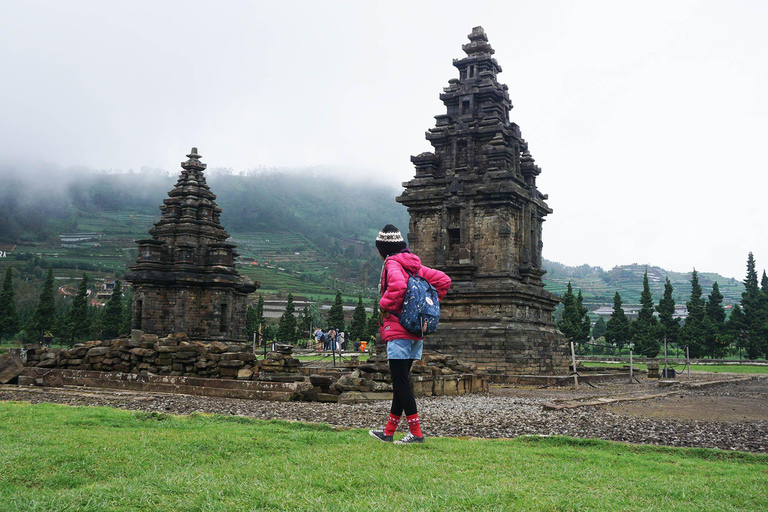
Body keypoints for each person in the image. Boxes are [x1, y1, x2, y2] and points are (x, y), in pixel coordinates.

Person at [368, 224, 450, 445]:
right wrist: (425, 303)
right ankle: (388, 432)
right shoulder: (415, 265)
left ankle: (416, 433)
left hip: (398, 331)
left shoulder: (393, 263)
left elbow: (397, 285)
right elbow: (443, 280)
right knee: (401, 382)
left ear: (383, 248)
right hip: (415, 333)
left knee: (401, 383)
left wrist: (384, 306)